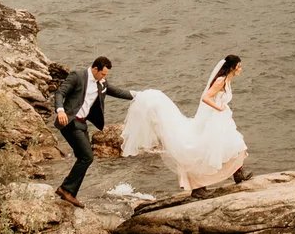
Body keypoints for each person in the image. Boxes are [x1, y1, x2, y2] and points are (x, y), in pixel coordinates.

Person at [120, 54, 249, 192]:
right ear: (232, 67)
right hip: (214, 119)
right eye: (239, 66)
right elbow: (206, 98)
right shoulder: (220, 81)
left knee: (233, 146)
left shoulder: (228, 81)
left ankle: (238, 174)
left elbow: (220, 99)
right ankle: (199, 187)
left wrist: (225, 110)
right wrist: (219, 108)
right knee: (208, 150)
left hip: (222, 119)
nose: (240, 69)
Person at [52, 54, 131, 204]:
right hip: (70, 121)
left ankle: (69, 192)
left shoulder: (101, 83)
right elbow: (60, 92)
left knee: (84, 157)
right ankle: (66, 189)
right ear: (95, 68)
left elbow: (118, 92)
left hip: (82, 124)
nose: (104, 77)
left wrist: (139, 96)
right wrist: (60, 110)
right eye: (102, 73)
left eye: (106, 75)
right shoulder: (78, 76)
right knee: (87, 156)